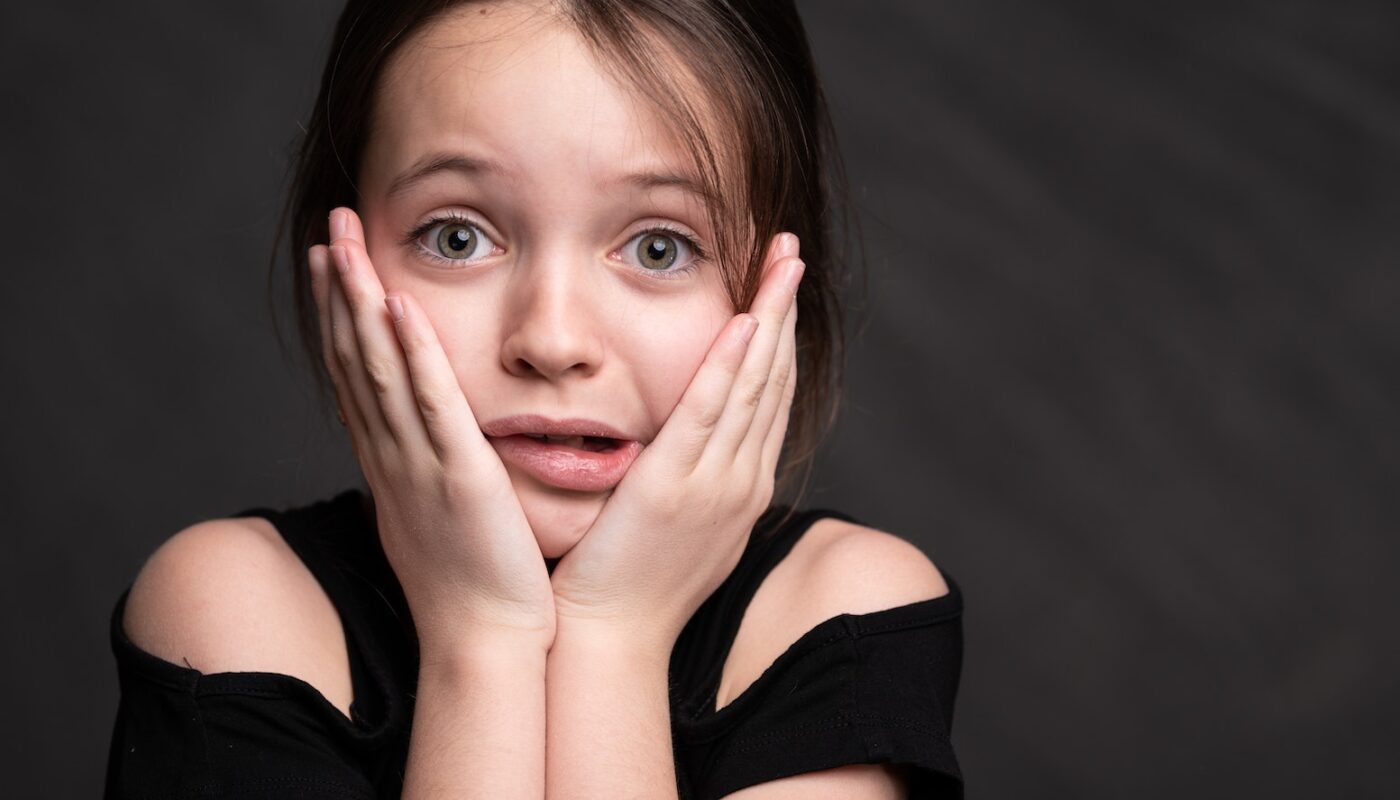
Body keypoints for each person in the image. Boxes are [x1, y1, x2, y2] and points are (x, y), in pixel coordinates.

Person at [104, 1, 964, 797]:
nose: (551, 340)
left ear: (780, 299)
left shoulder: (840, 615)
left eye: (660, 247)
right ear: (342, 275)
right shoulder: (234, 604)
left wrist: (611, 638)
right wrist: (481, 638)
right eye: (457, 236)